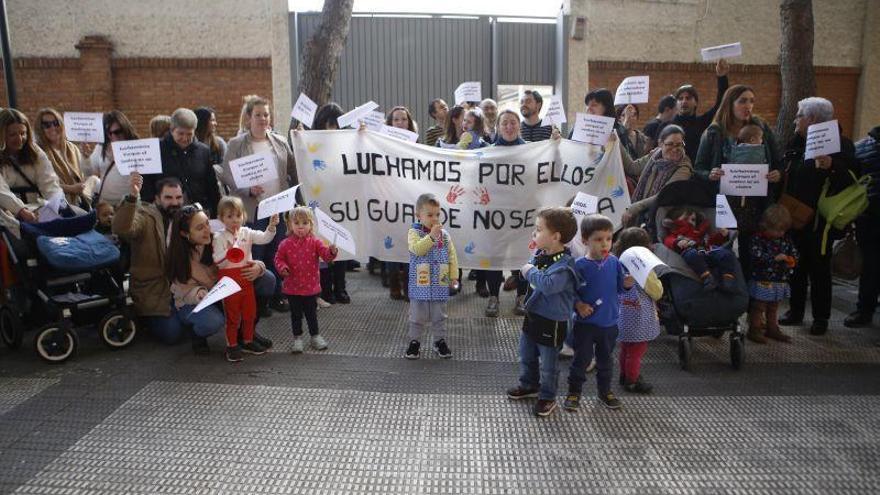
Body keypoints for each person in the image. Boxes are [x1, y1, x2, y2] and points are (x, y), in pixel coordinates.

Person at [779, 97, 860, 335]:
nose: (795, 120)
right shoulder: (796, 142)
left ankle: (821, 318)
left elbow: (851, 178)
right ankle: (795, 311)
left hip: (819, 220)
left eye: (799, 115)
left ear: (812, 119)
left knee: (819, 269)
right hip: (795, 216)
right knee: (796, 266)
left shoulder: (841, 144)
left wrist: (832, 165)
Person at [694, 84, 783, 278]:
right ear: (730, 104)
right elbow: (698, 168)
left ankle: (751, 303)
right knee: (724, 253)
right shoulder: (714, 132)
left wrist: (777, 174)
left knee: (751, 255)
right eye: (742, 101)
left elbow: (777, 162)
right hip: (724, 204)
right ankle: (728, 298)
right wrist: (710, 174)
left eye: (751, 101)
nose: (748, 105)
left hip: (754, 204)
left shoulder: (761, 128)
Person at [221, 94, 298, 314]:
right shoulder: (236, 144)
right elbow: (227, 175)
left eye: (266, 114)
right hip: (253, 209)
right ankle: (258, 301)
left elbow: (293, 170)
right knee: (255, 255)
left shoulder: (280, 142)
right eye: (258, 115)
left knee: (277, 254)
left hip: (278, 208)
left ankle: (276, 297)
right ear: (248, 118)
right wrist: (247, 189)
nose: (263, 118)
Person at [506, 207, 579, 417]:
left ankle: (547, 396)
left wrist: (529, 271)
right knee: (526, 354)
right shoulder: (541, 253)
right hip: (533, 316)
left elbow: (548, 285)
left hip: (552, 322)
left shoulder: (565, 266)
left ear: (555, 237)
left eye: (538, 230)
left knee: (548, 364)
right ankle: (529, 384)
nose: (534, 234)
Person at [567, 214, 631, 412]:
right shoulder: (579, 266)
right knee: (581, 360)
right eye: (598, 239)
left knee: (606, 360)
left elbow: (620, 288)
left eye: (609, 239)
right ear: (585, 240)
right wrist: (578, 305)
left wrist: (627, 285)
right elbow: (569, 292)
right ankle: (574, 392)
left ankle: (605, 392)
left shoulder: (614, 263)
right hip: (585, 324)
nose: (605, 244)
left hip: (609, 323)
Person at [212, 196, 278, 362]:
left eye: (237, 215)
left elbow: (264, 238)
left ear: (243, 216)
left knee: (249, 312)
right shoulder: (218, 237)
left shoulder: (246, 232)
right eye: (229, 216)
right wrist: (229, 252)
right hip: (229, 280)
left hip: (246, 277)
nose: (234, 220)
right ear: (221, 218)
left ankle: (248, 341)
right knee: (233, 316)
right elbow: (217, 261)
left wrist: (271, 227)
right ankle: (232, 345)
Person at [275, 206, 338, 353]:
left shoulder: (316, 242)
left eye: (304, 223)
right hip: (292, 287)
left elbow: (326, 256)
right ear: (290, 224)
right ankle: (297, 338)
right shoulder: (285, 244)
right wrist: (282, 267)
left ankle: (315, 336)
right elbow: (278, 258)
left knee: (311, 314)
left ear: (311, 224)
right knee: (296, 314)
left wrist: (332, 251)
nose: (300, 227)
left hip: (310, 287)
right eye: (296, 223)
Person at [404, 193, 459, 360]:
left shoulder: (445, 235)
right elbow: (418, 250)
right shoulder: (414, 233)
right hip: (420, 282)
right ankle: (414, 342)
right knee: (417, 316)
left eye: (437, 214)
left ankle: (439, 341)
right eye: (429, 215)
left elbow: (452, 255)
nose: (434, 219)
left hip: (439, 282)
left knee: (439, 315)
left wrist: (454, 276)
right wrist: (431, 237)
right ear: (418, 215)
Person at [141, 108, 222, 217]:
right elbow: (146, 185)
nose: (185, 138)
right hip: (165, 215)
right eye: (180, 133)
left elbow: (212, 186)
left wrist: (216, 212)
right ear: (172, 129)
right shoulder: (155, 150)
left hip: (198, 213)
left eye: (189, 134)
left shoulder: (203, 151)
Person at [612, 227, 663, 394]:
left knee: (625, 348)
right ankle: (632, 380)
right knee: (637, 351)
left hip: (622, 316)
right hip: (640, 318)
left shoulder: (616, 263)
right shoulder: (644, 269)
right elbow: (656, 292)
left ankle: (623, 374)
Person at [311, 103, 351, 305]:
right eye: (329, 124)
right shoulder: (312, 143)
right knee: (322, 245)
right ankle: (326, 289)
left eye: (335, 125)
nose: (332, 129)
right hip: (320, 202)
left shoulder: (346, 142)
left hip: (341, 201)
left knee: (339, 244)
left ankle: (341, 287)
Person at [657, 58, 731, 162]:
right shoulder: (665, 126)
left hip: (696, 173)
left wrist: (722, 77)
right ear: (676, 103)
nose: (684, 101)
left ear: (696, 102)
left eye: (688, 98)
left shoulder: (702, 122)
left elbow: (721, 103)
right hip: (671, 174)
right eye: (680, 98)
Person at [0, 108, 63, 227]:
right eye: (12, 134)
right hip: (7, 212)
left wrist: (58, 205)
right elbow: (1, 191)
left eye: (22, 133)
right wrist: (20, 210)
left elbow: (49, 181)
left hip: (35, 209)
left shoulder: (35, 152)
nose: (19, 139)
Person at [621, 124, 693, 228]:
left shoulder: (684, 168)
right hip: (642, 214)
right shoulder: (655, 156)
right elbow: (632, 168)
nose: (675, 149)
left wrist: (635, 207)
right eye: (670, 144)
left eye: (679, 145)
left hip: (662, 221)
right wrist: (616, 142)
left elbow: (663, 194)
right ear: (660, 143)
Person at [844, 125, 880, 328]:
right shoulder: (863, 147)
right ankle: (865, 308)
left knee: (871, 265)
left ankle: (864, 311)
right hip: (870, 217)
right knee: (870, 266)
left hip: (868, 215)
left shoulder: (861, 147)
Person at [747, 205, 798, 344]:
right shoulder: (758, 239)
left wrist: (792, 260)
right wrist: (773, 258)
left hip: (779, 279)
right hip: (762, 278)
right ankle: (755, 328)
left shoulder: (785, 240)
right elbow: (756, 256)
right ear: (765, 226)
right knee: (759, 305)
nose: (778, 233)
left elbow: (793, 252)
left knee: (774, 305)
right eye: (775, 230)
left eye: (782, 230)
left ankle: (772, 328)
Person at [662, 207, 736, 290]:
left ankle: (728, 278)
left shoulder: (699, 232)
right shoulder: (675, 235)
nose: (690, 222)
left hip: (706, 251)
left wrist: (721, 236)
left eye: (693, 220)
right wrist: (677, 242)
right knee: (691, 254)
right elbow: (668, 241)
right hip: (692, 254)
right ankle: (707, 277)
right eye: (686, 218)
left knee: (726, 253)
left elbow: (710, 242)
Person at [33, 108, 92, 208]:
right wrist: (71, 189)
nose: (52, 128)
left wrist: (86, 157)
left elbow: (85, 175)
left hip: (79, 202)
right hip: (56, 205)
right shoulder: (38, 151)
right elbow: (42, 183)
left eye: (56, 123)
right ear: (40, 129)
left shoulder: (72, 148)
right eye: (46, 125)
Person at [89, 110, 140, 206]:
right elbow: (93, 173)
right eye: (109, 133)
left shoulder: (137, 147)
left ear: (125, 128)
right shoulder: (100, 147)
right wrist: (85, 157)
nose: (113, 136)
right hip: (105, 204)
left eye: (117, 132)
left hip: (128, 202)